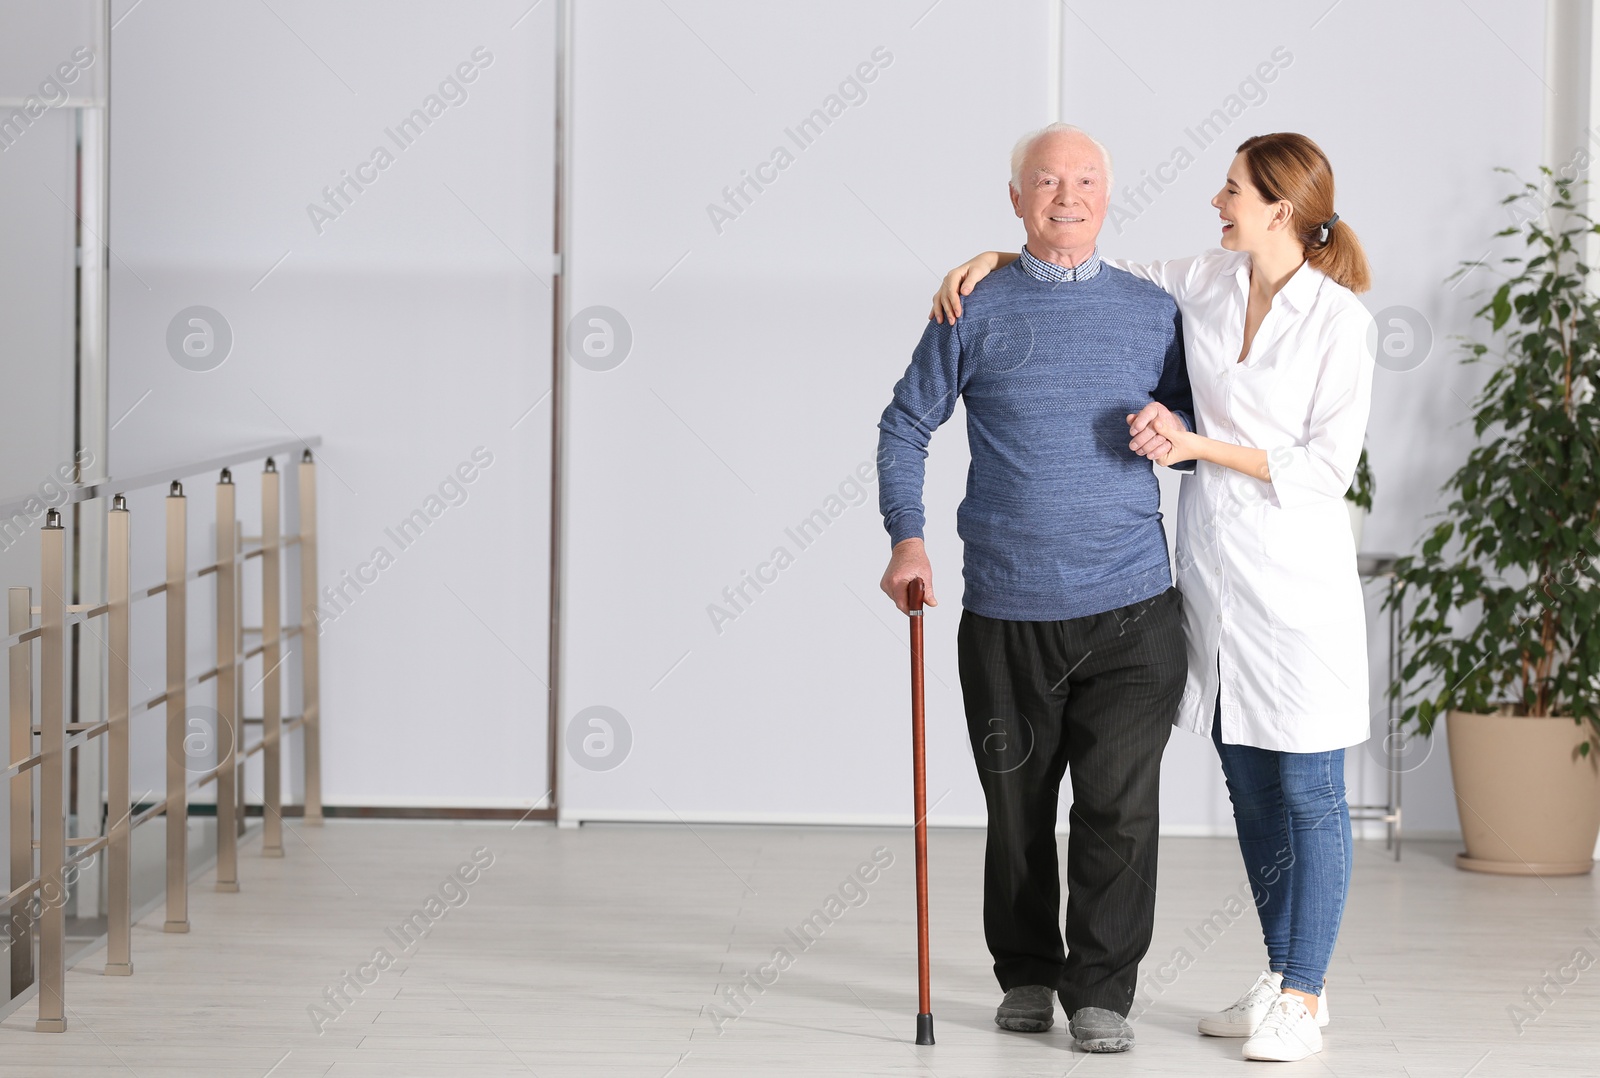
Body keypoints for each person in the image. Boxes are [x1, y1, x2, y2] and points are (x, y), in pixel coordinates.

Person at [931, 131, 1375, 1063]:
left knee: (1308, 789)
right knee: (1249, 786)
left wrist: (1195, 445)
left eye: (1232, 190)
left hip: (1296, 585)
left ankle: (1304, 988)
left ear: (1279, 208)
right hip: (1214, 582)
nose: (1217, 201)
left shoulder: (1341, 321)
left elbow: (1328, 468)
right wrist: (998, 256)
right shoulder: (1208, 280)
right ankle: (1279, 974)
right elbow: (1085, 254)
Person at [876, 122, 1193, 1054]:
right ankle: (1025, 970)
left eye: (1086, 179)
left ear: (1109, 193)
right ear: (1015, 199)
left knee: (1119, 808)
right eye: (1047, 182)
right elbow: (906, 425)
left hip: (1134, 605)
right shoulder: (972, 306)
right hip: (1009, 607)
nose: (1068, 195)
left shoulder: (1151, 308)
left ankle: (1102, 991)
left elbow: (1197, 414)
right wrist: (908, 539)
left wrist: (1169, 419)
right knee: (1018, 808)